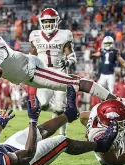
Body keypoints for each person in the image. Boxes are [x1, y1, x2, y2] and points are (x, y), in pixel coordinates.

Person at [0, 13, 116, 126]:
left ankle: (114, 100)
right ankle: (64, 110)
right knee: (43, 104)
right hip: (22, 78)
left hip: (32, 70)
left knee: (72, 83)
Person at [0, 85, 119, 165]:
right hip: (27, 162)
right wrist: (32, 118)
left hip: (5, 148)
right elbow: (28, 153)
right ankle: (101, 145)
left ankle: (69, 114)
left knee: (38, 131)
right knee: (61, 141)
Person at [29, 8, 78, 136]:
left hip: (60, 74)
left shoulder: (64, 34)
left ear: (57, 21)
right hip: (44, 74)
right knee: (43, 104)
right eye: (45, 21)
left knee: (61, 108)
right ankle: (55, 109)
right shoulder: (35, 35)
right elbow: (32, 56)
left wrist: (68, 61)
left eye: (51, 21)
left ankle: (62, 135)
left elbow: (71, 55)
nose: (48, 24)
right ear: (41, 22)